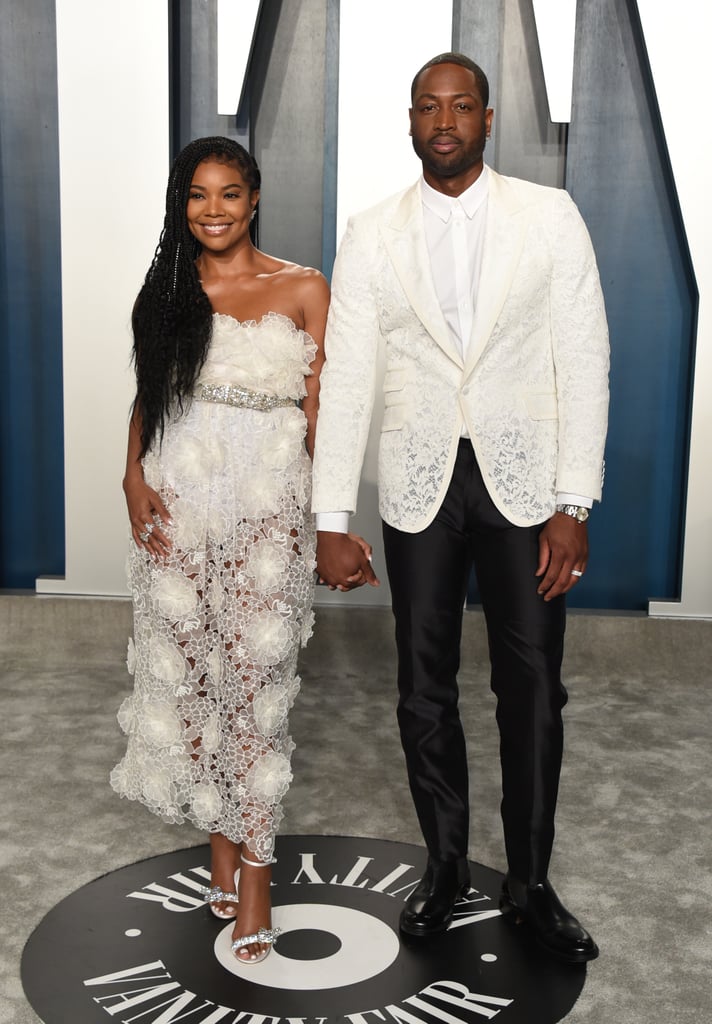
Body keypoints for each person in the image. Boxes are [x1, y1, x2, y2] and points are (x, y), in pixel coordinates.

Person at [312, 54, 609, 964]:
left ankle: (529, 882)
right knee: (422, 686)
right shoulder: (371, 232)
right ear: (409, 122)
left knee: (531, 686)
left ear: (487, 117)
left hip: (526, 483)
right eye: (428, 108)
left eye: (461, 106)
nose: (445, 120)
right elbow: (351, 374)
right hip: (417, 484)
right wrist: (330, 514)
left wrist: (573, 499)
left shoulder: (548, 217)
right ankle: (445, 868)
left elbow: (584, 356)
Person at [111, 136, 332, 964]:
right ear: (183, 204)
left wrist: (327, 518)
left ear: (254, 198)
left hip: (267, 502)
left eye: (229, 194)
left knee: (257, 682)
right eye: (198, 196)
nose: (214, 210)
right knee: (196, 676)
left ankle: (258, 880)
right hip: (179, 496)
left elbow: (322, 413)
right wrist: (131, 477)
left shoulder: (303, 286)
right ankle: (218, 843)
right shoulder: (171, 289)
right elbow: (150, 393)